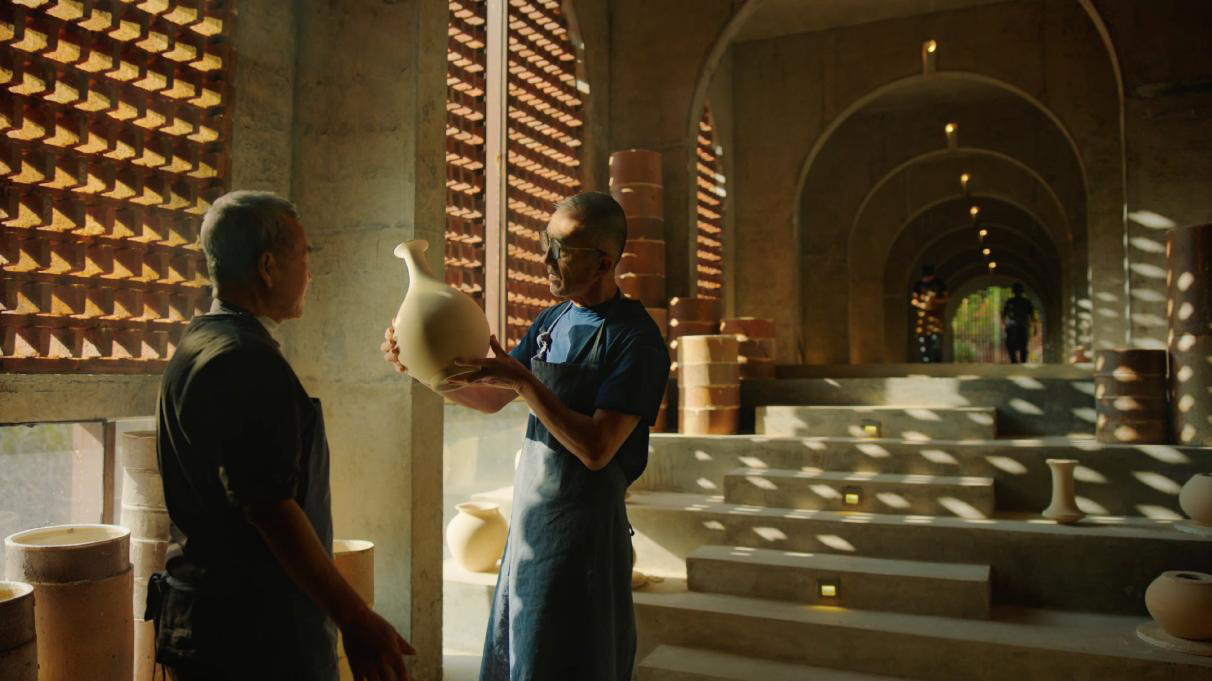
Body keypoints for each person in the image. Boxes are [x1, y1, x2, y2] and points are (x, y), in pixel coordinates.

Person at [381, 191, 670, 681]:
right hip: (532, 527)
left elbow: (597, 449)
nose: (546, 260)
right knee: (522, 657)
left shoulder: (635, 339)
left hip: (586, 539)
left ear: (604, 262)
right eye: (544, 243)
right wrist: (418, 367)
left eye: (561, 250)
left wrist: (525, 383)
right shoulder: (551, 321)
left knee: (573, 663)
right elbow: (490, 397)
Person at [155, 191, 413, 681]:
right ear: (268, 267)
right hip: (252, 640)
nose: (310, 275)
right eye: (305, 258)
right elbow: (271, 509)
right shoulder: (244, 360)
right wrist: (356, 619)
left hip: (212, 627)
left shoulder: (200, 342)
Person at [910, 264, 949, 363]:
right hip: (922, 319)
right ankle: (925, 361)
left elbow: (946, 299)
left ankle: (936, 361)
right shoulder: (918, 285)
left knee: (936, 342)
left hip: (936, 318)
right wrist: (921, 305)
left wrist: (935, 301)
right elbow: (913, 300)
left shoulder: (940, 284)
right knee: (923, 342)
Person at [1002, 283, 1036, 364]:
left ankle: (1017, 361)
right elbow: (1032, 316)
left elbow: (1003, 315)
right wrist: (1035, 327)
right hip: (1018, 326)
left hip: (1018, 326)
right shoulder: (1024, 302)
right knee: (1018, 345)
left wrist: (1005, 324)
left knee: (1017, 345)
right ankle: (1019, 362)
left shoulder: (1013, 301)